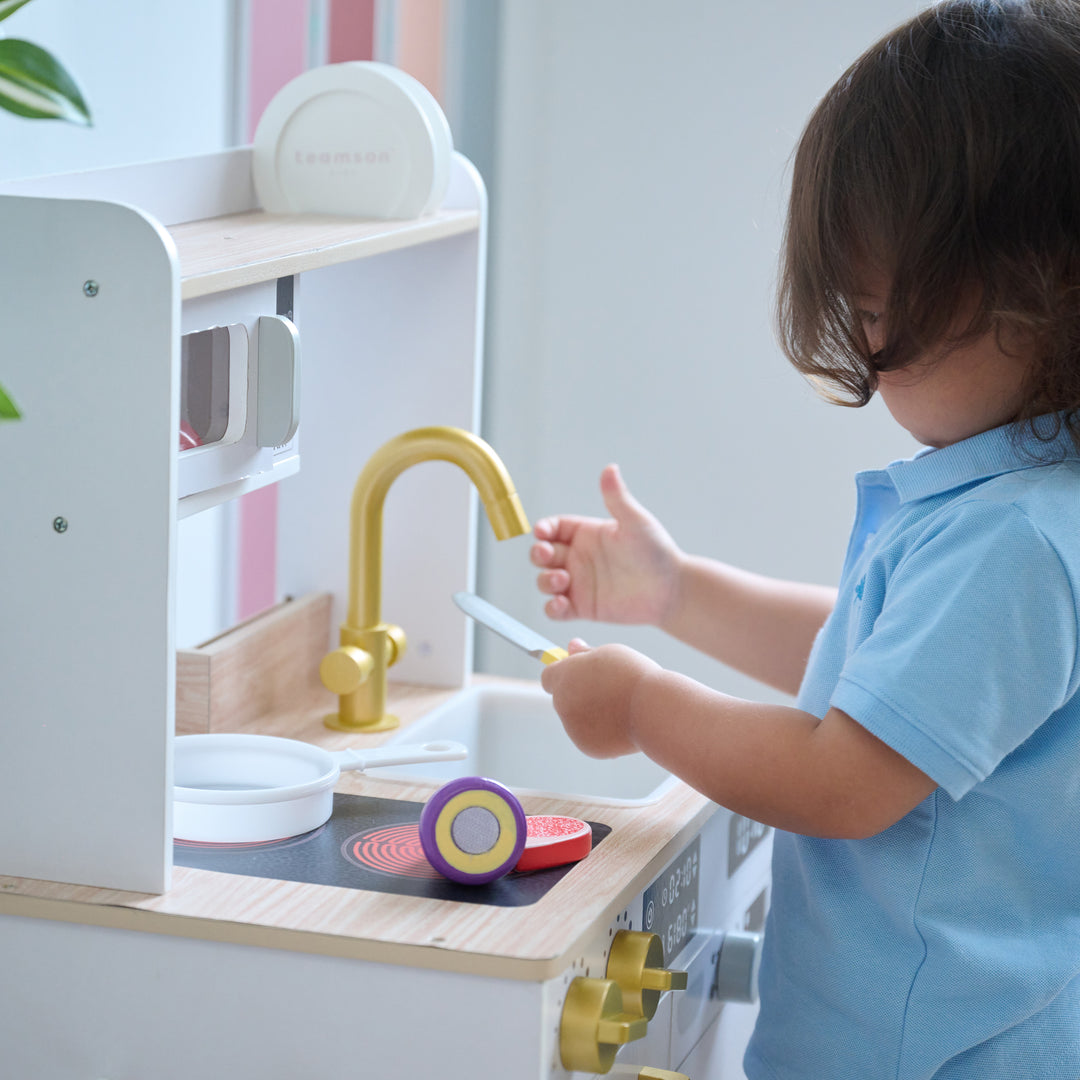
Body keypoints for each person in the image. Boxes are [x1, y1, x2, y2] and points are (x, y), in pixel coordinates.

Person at [530, 3, 1080, 1077]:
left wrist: (646, 705)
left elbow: (845, 778)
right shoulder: (1023, 497)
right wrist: (676, 591)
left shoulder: (1010, 538)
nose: (869, 349)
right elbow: (883, 671)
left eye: (882, 313)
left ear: (1034, 292)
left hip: (924, 1050)